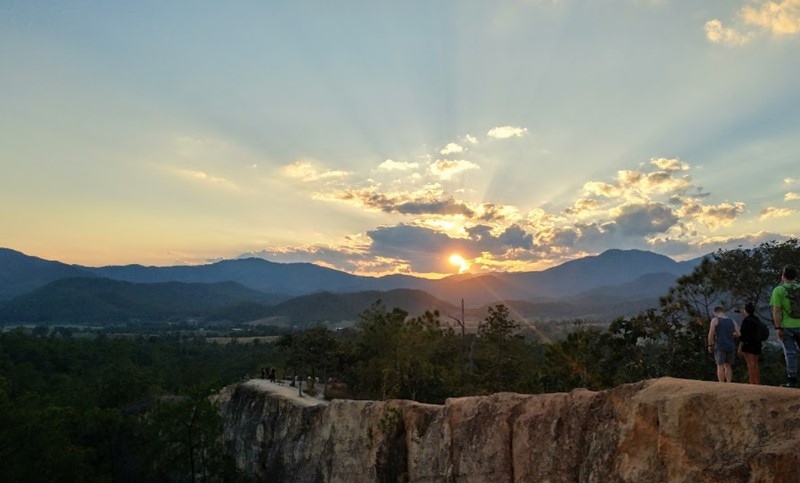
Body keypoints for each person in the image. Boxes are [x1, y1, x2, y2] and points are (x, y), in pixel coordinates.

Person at [771, 266, 800, 388]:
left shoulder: (779, 290)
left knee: (790, 353)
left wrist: (778, 328)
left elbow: (777, 310)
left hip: (787, 326)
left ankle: (792, 380)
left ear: (783, 275)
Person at [708, 306, 740, 382]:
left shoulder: (715, 320)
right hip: (730, 345)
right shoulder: (732, 320)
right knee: (728, 365)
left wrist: (710, 344)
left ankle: (721, 383)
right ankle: (728, 382)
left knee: (720, 365)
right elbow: (738, 333)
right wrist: (731, 335)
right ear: (722, 311)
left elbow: (711, 333)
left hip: (720, 345)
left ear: (715, 312)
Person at [737, 302, 762, 385]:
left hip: (749, 345)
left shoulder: (746, 321)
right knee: (755, 364)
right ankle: (757, 382)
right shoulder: (757, 319)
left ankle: (752, 382)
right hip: (757, 344)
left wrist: (740, 347)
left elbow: (743, 335)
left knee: (750, 364)